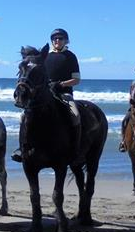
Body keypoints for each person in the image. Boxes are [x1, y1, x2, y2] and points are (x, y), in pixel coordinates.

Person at [12, 28, 82, 163]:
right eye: (55, 39)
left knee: (75, 115)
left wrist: (61, 84)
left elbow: (76, 80)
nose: (57, 41)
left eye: (60, 38)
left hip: (64, 94)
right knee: (23, 117)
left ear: (65, 41)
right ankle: (22, 149)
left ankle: (75, 150)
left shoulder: (70, 56)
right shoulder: (45, 57)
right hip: (45, 94)